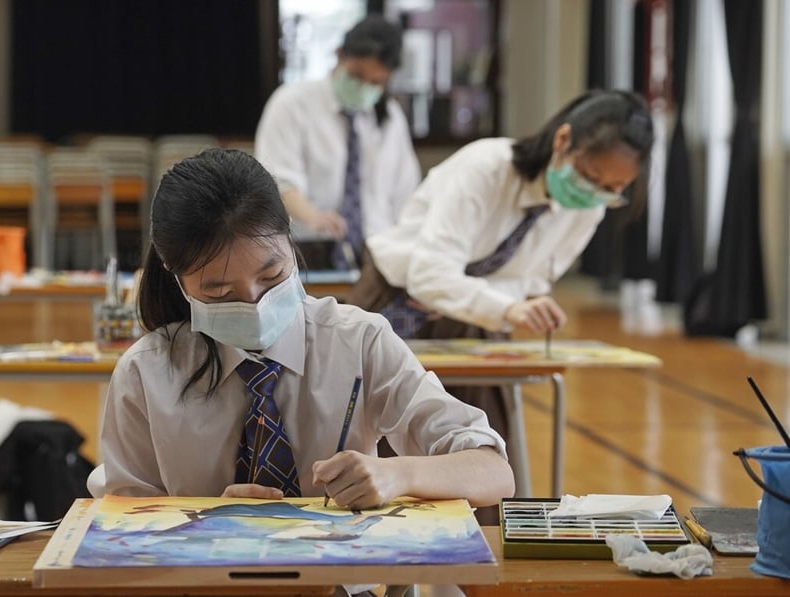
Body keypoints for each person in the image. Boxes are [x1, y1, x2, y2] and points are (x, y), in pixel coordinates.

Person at [87, 148, 513, 515]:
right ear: (174, 274)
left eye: (271, 276)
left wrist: (397, 473)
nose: (254, 304)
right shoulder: (146, 372)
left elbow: (492, 472)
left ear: (290, 237)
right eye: (219, 292)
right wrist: (209, 518)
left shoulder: (357, 341)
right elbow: (126, 522)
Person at [346, 89, 655, 447]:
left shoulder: (589, 208)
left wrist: (518, 304)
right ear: (563, 139)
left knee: (477, 448)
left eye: (612, 188)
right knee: (375, 435)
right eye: (589, 174)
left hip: (477, 319)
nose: (592, 192)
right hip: (393, 298)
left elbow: (533, 281)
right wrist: (506, 305)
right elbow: (429, 274)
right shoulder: (486, 168)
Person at [254, 15, 420, 269]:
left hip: (377, 257)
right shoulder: (291, 104)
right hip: (310, 252)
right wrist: (314, 218)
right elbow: (276, 183)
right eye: (357, 75)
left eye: (376, 82)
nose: (365, 87)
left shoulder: (391, 118)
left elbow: (406, 194)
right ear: (339, 54)